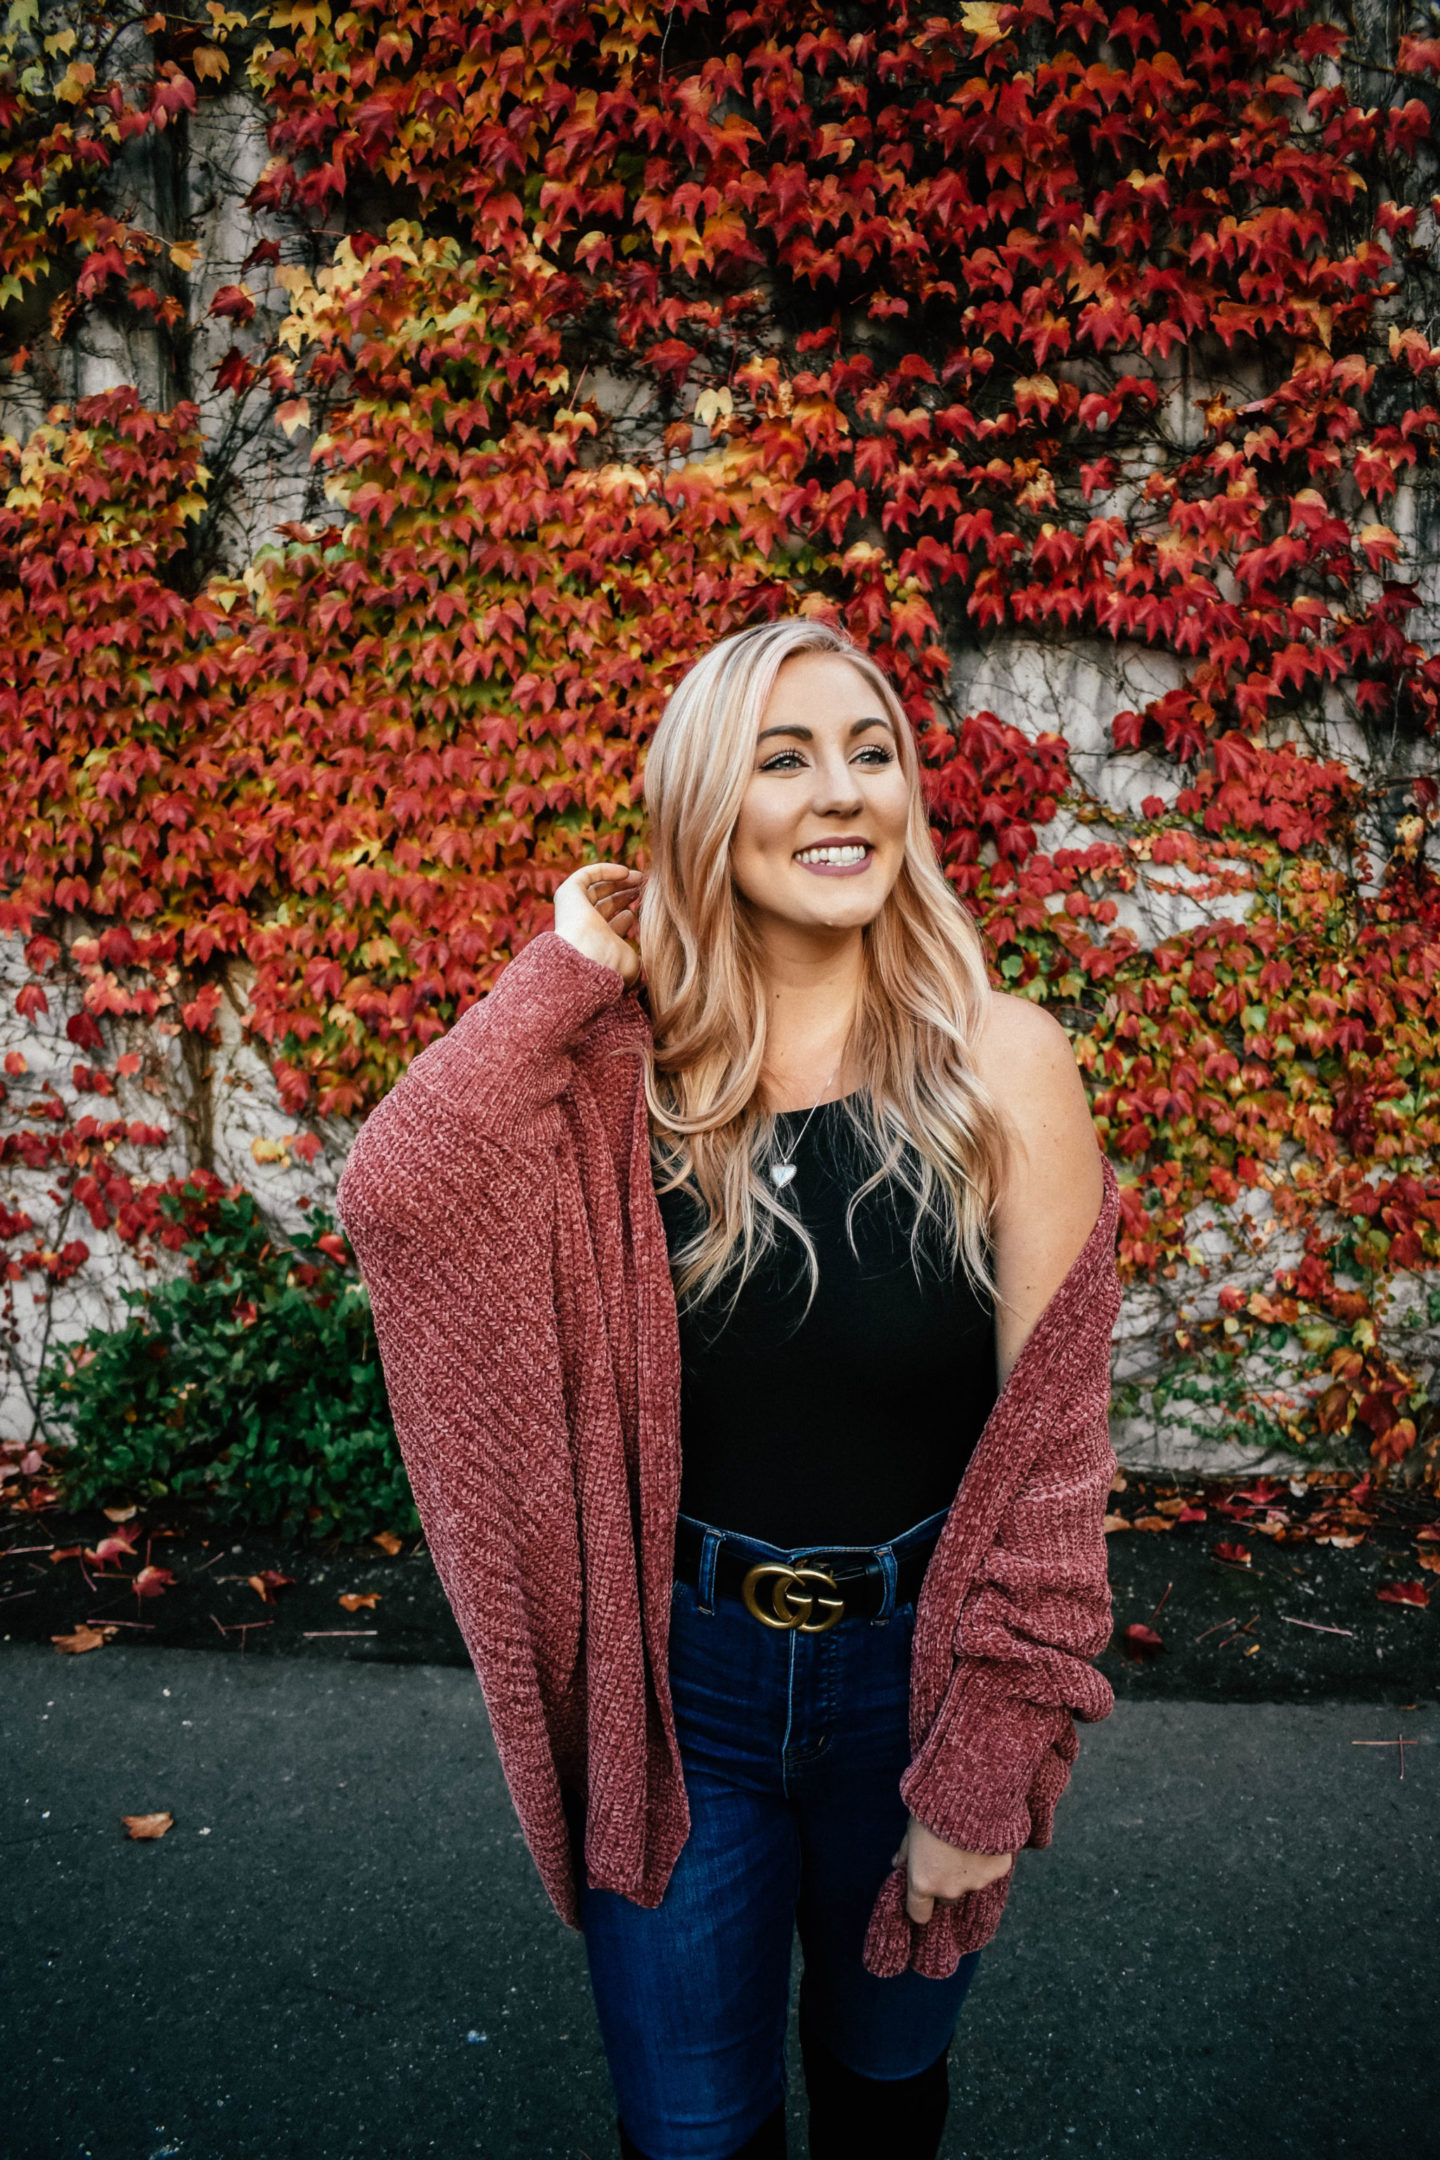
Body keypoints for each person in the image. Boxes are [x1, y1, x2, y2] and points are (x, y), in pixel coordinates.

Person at [336, 617, 1123, 2160]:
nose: (843, 795)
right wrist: (574, 959)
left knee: (885, 2082)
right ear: (705, 804)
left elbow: (1055, 1460)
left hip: (919, 1667)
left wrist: (983, 1766)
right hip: (675, 1686)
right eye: (784, 759)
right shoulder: (619, 1076)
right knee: (692, 2128)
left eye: (871, 752)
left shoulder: (1005, 1067)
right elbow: (397, 1196)